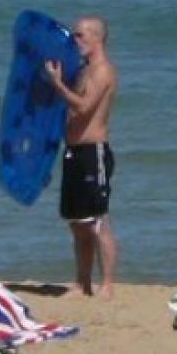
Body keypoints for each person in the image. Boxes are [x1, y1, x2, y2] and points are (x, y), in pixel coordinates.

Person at [45, 15, 119, 296]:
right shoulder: (83, 71)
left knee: (98, 221)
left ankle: (108, 285)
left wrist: (57, 84)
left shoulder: (103, 71)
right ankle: (82, 282)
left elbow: (85, 107)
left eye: (79, 35)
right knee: (78, 225)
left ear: (96, 38)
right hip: (73, 152)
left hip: (93, 151)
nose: (74, 40)